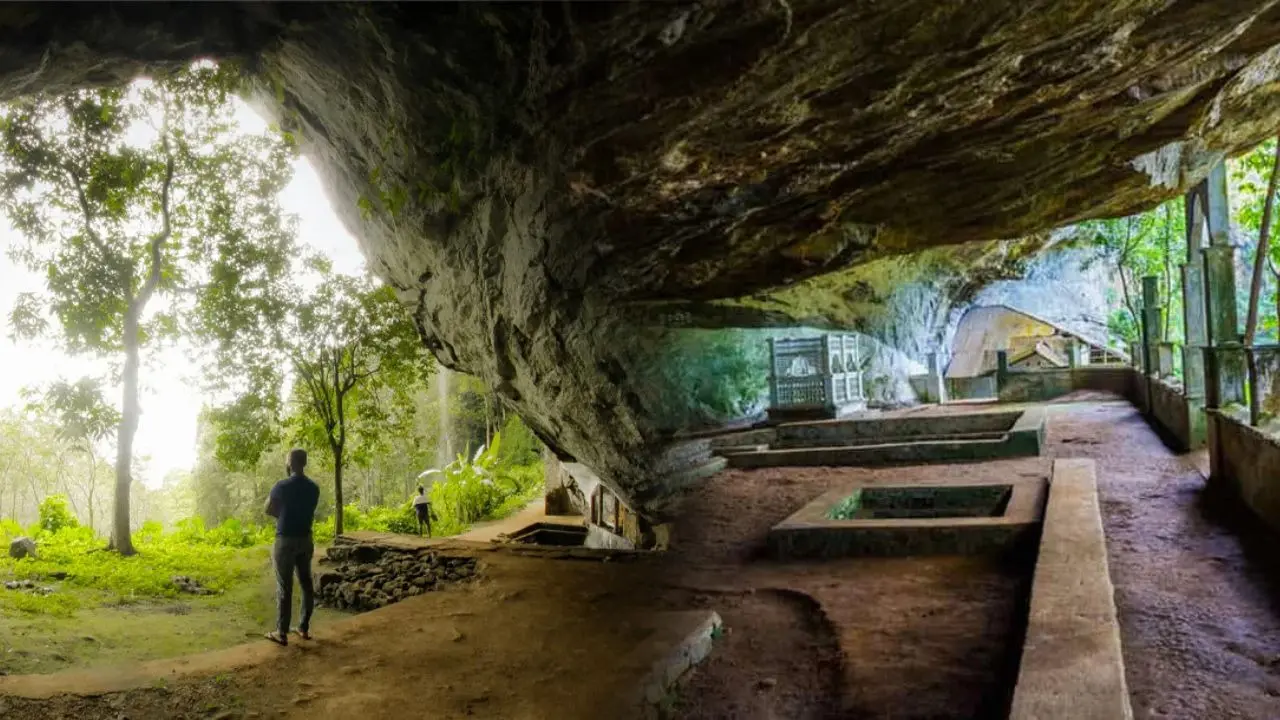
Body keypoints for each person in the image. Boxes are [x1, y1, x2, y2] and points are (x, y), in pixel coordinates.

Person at [263, 448, 320, 646]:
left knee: (284, 586)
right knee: (306, 584)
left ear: (290, 462)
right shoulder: (314, 487)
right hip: (305, 538)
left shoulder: (282, 486)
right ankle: (303, 628)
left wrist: (283, 513)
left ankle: (281, 632)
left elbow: (269, 509)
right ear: (304, 463)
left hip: (285, 539)